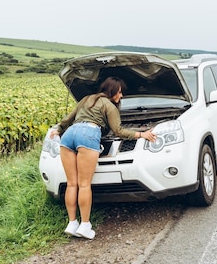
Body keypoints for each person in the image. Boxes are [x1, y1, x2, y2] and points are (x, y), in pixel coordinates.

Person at [50, 77, 156, 239]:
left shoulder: (87, 99)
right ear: (112, 91)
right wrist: (142, 134)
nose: (121, 96)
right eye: (120, 92)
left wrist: (58, 130)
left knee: (72, 184)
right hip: (88, 134)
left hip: (69, 134)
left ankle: (72, 224)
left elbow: (68, 119)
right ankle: (85, 225)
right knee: (85, 185)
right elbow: (118, 131)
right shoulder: (110, 106)